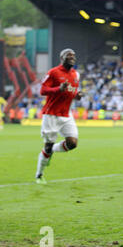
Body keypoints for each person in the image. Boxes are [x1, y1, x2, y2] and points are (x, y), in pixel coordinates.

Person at [35, 49, 84, 184]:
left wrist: (77, 96)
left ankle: (51, 151)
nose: (72, 58)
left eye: (73, 56)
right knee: (47, 146)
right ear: (62, 58)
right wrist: (58, 89)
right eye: (69, 56)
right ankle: (39, 175)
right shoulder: (53, 72)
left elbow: (71, 93)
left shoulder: (76, 75)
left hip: (66, 115)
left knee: (72, 143)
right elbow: (43, 90)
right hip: (51, 114)